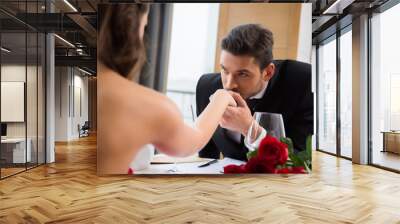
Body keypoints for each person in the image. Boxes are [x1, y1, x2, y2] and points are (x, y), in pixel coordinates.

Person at [97, 4, 236, 174]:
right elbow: (193, 140)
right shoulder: (148, 105)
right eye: (144, 25)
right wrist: (222, 97)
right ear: (130, 26)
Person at [196, 24, 313, 161]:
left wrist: (249, 128)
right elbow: (206, 158)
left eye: (243, 74)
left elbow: (301, 161)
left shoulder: (304, 81)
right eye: (225, 70)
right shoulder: (206, 87)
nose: (229, 84)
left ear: (268, 72)